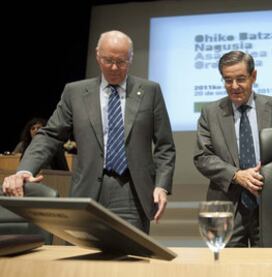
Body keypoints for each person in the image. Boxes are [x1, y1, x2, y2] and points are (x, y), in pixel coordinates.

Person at [2, 30, 176, 233]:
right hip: (86, 190)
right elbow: (50, 135)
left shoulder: (149, 91)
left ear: (131, 58)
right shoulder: (75, 92)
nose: (114, 67)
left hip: (131, 193)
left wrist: (161, 185)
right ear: (97, 55)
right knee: (82, 257)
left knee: (128, 260)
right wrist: (25, 170)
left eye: (121, 61)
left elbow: (165, 146)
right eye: (108, 60)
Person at [194, 51, 272, 247]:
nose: (234, 87)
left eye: (240, 79)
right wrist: (236, 175)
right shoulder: (210, 112)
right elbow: (202, 156)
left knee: (270, 265)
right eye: (227, 80)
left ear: (254, 76)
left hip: (269, 203)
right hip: (227, 206)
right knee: (226, 268)